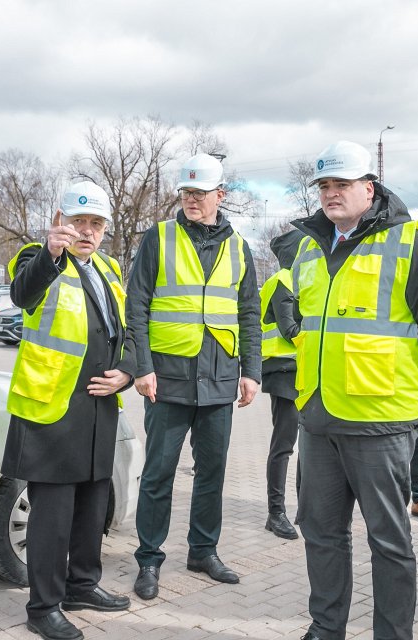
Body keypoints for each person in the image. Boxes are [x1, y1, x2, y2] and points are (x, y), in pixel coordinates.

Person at [291, 141, 418, 640]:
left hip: (381, 421)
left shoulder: (412, 243)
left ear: (369, 188)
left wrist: (410, 386)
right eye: (324, 186)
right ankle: (327, 628)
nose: (331, 194)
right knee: (322, 534)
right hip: (318, 417)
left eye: (341, 184)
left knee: (389, 540)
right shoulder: (308, 247)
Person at [3, 181, 134, 640]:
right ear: (60, 221)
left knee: (91, 509)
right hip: (52, 409)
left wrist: (129, 373)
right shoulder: (35, 259)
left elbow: (127, 331)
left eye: (95, 224)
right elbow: (22, 295)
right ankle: (43, 606)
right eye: (78, 222)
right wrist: (49, 255)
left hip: (100, 407)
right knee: (52, 517)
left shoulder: (110, 268)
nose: (86, 231)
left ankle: (83, 585)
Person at [127, 153, 261, 600]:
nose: (190, 200)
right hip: (167, 378)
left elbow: (248, 313)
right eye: (185, 193)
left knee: (213, 472)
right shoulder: (158, 238)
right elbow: (138, 305)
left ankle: (203, 551)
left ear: (220, 195)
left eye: (199, 193)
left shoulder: (240, 247)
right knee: (159, 473)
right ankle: (149, 558)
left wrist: (252, 373)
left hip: (221, 378)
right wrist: (141, 366)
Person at [260, 229, 306, 540]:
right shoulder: (283, 281)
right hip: (284, 372)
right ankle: (275, 513)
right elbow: (290, 330)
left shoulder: (303, 281)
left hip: (304, 371)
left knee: (311, 446)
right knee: (284, 445)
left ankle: (307, 508)